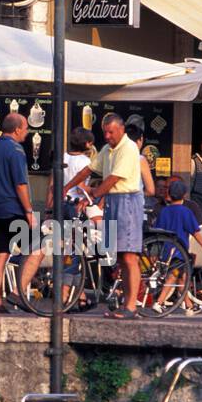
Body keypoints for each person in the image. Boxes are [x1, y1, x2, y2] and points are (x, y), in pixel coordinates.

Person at [0, 112, 45, 314]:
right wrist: (28, 210)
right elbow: (20, 184)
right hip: (13, 209)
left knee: (0, 255)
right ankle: (17, 294)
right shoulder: (17, 150)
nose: (27, 133)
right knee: (37, 249)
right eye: (26, 128)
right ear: (17, 129)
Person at [89, 113, 146, 319]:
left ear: (121, 129)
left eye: (110, 131)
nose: (106, 135)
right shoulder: (108, 150)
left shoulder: (129, 148)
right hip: (114, 201)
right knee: (121, 256)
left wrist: (97, 193)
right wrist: (69, 186)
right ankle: (126, 304)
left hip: (127, 200)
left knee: (129, 256)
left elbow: (114, 179)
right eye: (104, 131)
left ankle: (131, 306)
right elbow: (91, 169)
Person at [151, 180, 202, 316]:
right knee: (173, 277)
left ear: (169, 194)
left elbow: (158, 230)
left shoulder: (164, 211)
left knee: (182, 278)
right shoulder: (185, 211)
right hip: (179, 251)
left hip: (165, 251)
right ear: (184, 194)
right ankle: (159, 302)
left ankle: (189, 306)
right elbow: (195, 231)